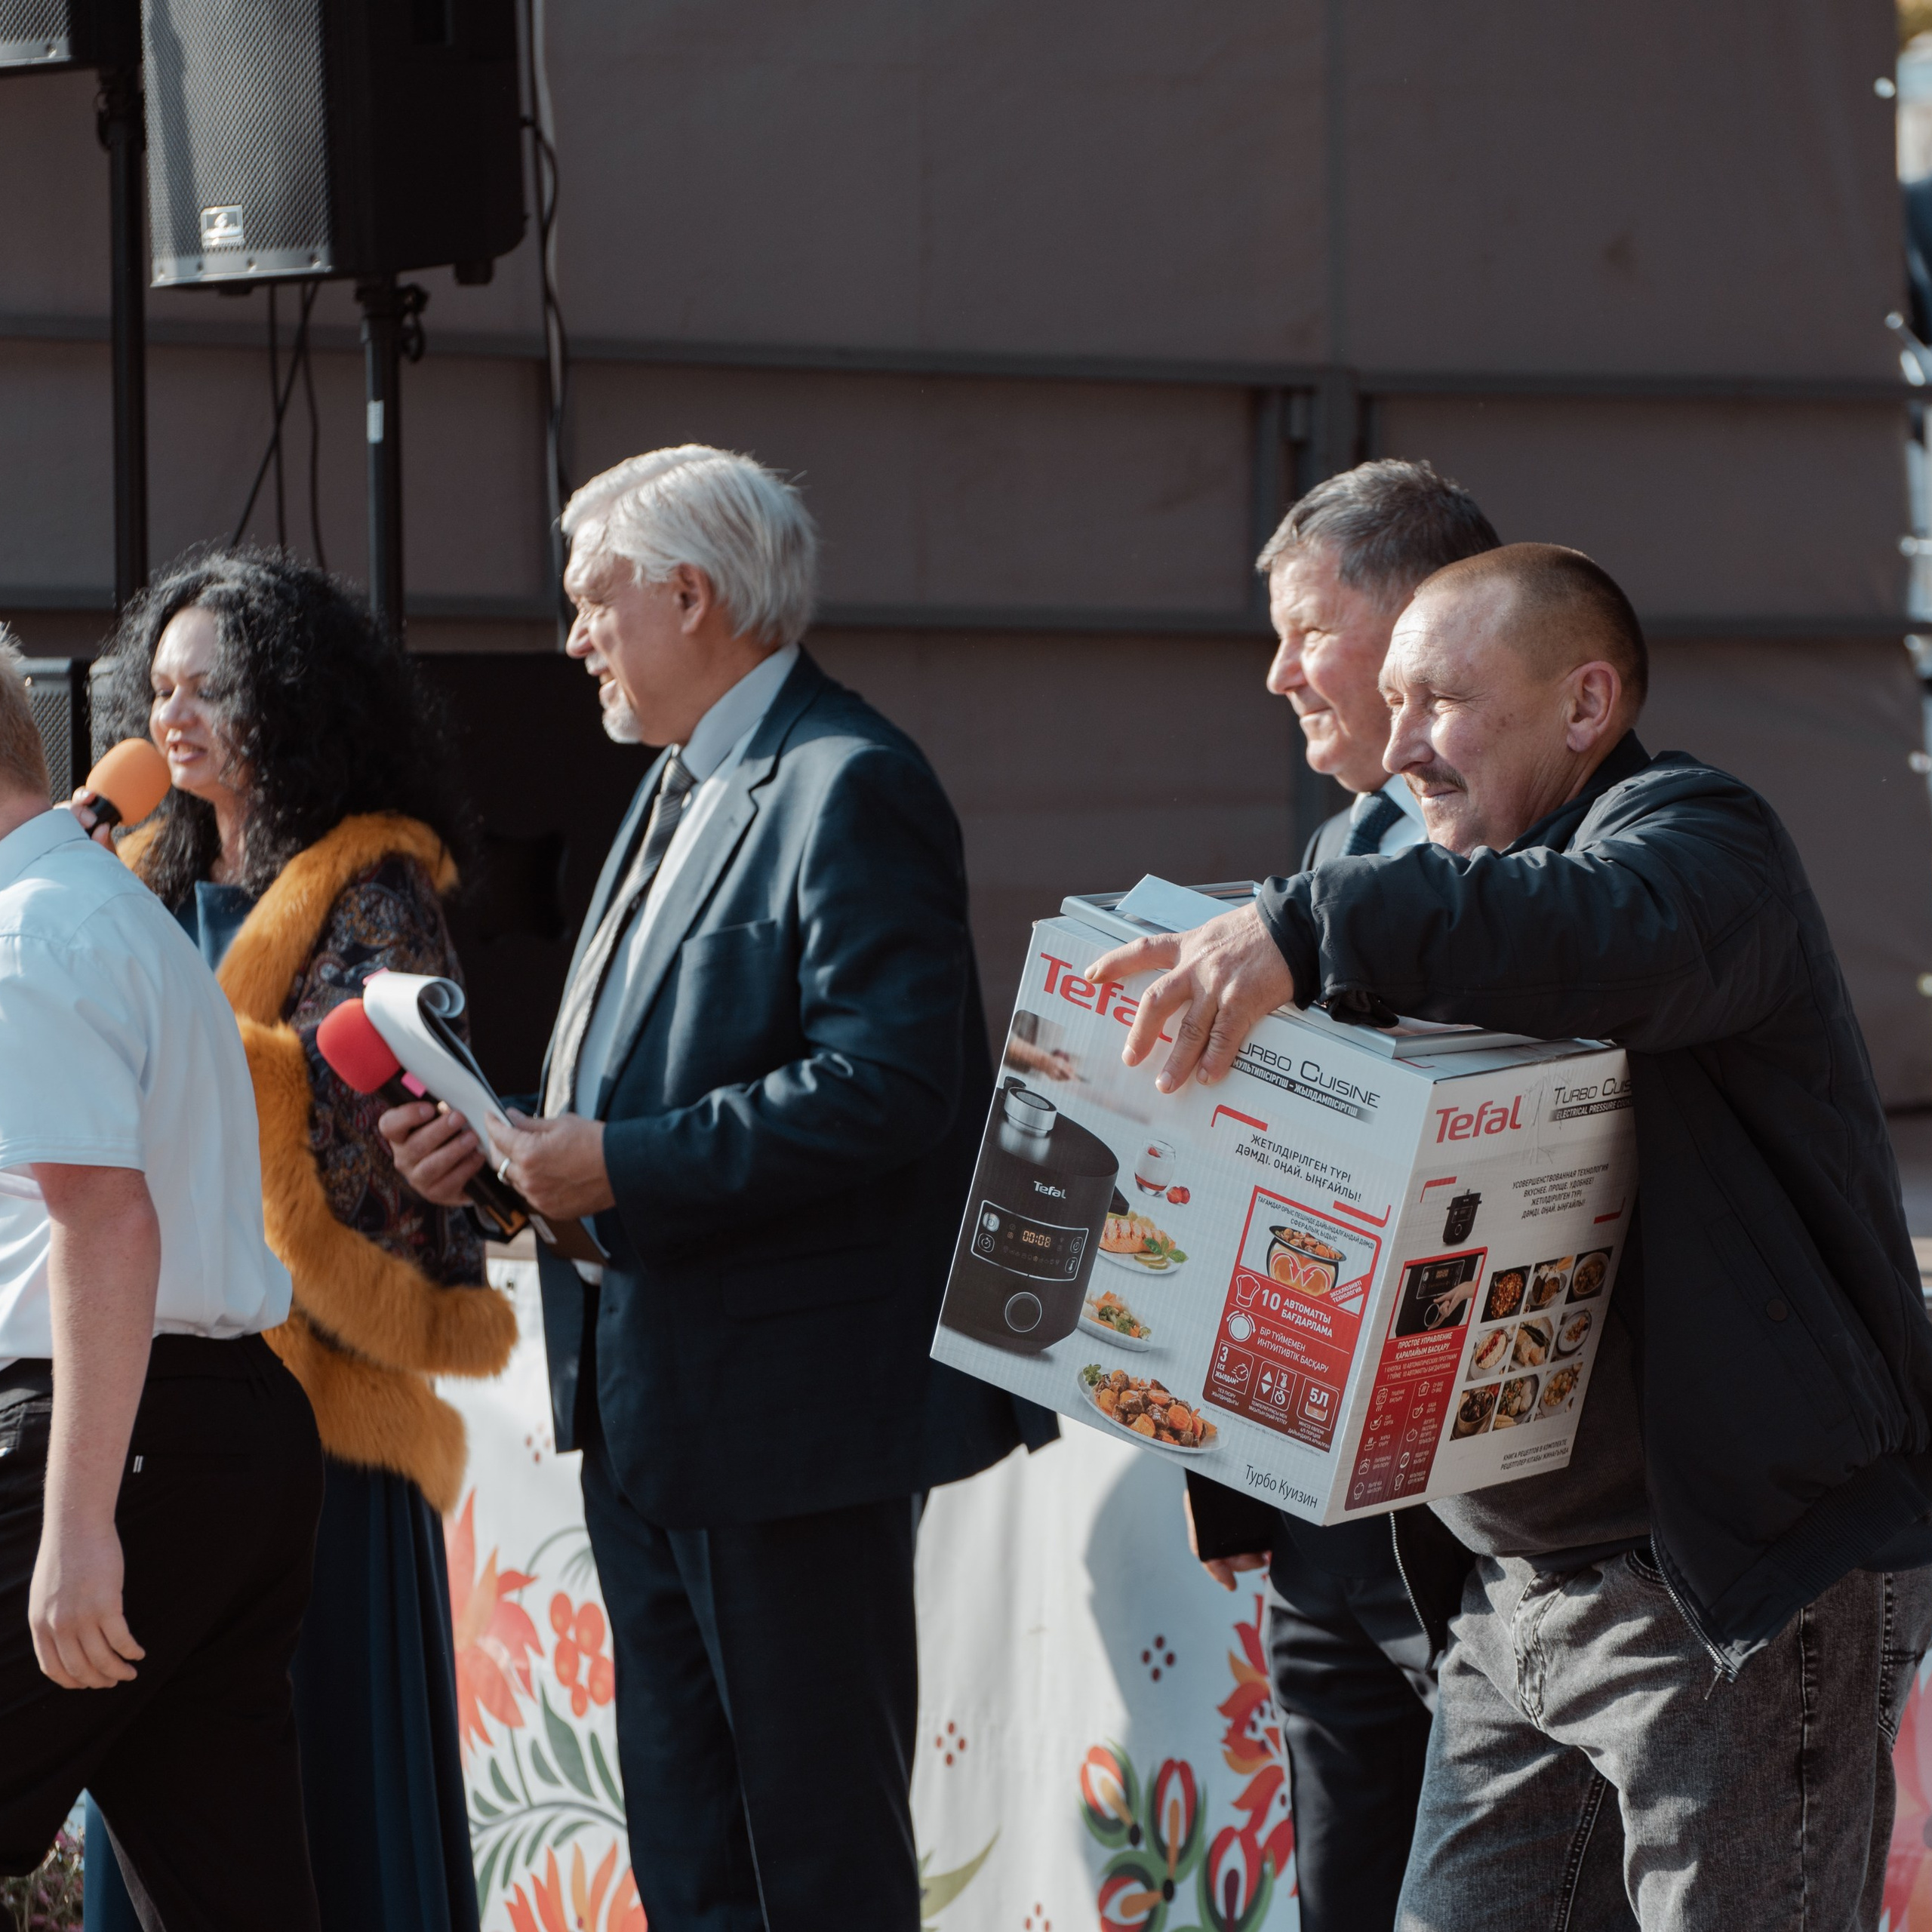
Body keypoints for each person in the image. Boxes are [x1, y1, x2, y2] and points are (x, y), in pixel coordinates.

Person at [1087, 542, 1932, 1928]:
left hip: (1731, 1593)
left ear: (1585, 706)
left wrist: (1302, 928)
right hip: (1509, 1595)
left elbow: (1594, 933)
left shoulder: (1702, 842)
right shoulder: (1440, 889)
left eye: (1442, 702)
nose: (1400, 745)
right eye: (1396, 702)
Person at [381, 445, 1052, 1932]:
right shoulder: (684, 780)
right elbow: (637, 1088)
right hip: (653, 1403)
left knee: (811, 1848)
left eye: (589, 602)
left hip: (790, 1419)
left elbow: (890, 1084)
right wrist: (508, 1173)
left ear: (686, 594)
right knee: (688, 1840)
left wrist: (610, 1162)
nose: (571, 641)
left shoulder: (847, 780)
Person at [76, 553, 515, 1932]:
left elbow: (393, 1143)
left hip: (320, 1412)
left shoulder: (376, 886)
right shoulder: (126, 873)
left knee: (323, 1783)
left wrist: (210, 1067)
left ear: (290, 702)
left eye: (212, 686)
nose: (176, 716)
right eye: (158, 689)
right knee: (164, 1785)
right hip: (153, 1391)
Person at [1183, 459, 1499, 1932]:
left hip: (1487, 1528)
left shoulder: (1569, 849)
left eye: (1305, 629)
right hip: (1323, 1515)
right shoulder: (1335, 843)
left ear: (1422, 625)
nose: (1273, 672)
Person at [0, 629, 325, 1930]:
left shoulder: (31, 934)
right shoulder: (105, 910)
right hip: (219, 1434)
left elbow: (106, 1226)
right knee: (229, 1892)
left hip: (114, 1444)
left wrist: (82, 1527)